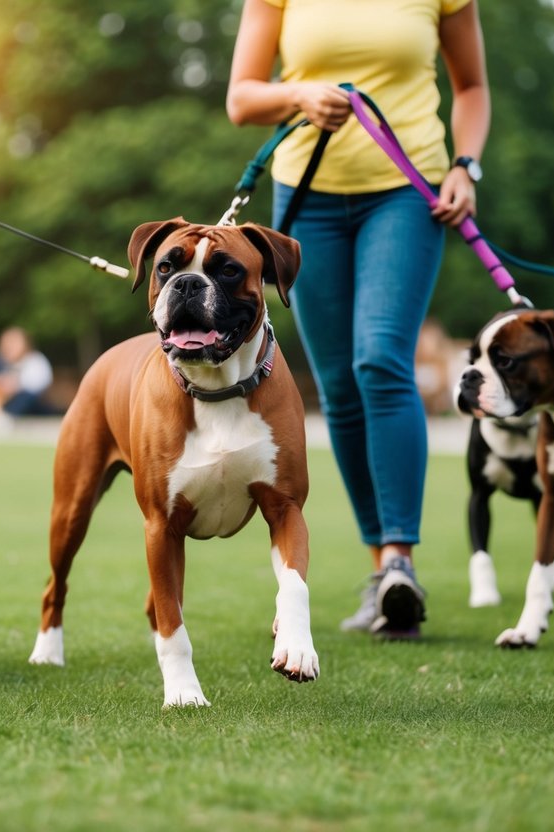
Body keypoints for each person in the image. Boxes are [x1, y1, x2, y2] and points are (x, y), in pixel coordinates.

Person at [228, 0, 490, 638]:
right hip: (307, 196)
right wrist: (301, 95)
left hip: (407, 190)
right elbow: (242, 99)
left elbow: (472, 87)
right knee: (339, 384)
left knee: (380, 359)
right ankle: (383, 573)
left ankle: (401, 558)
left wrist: (466, 165)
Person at [0, 326, 59, 416]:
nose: (10, 347)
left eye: (14, 343)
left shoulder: (35, 360)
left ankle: (9, 415)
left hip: (35, 403)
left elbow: (41, 384)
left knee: (26, 396)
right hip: (6, 400)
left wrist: (17, 384)